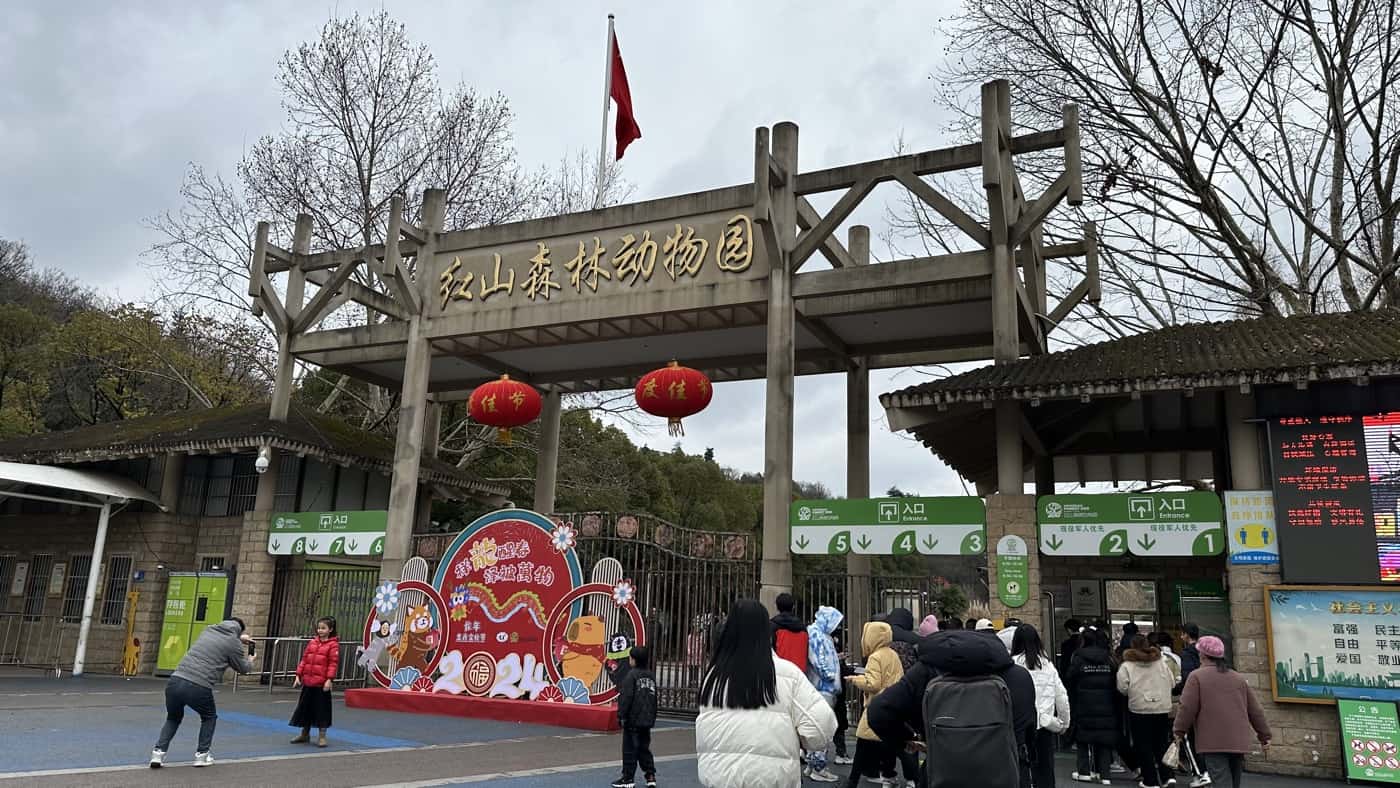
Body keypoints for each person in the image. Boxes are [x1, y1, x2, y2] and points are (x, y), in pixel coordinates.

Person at [867, 629, 1038, 788]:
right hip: (1006, 775)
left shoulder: (925, 672)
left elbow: (878, 712)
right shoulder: (1020, 677)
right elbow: (1029, 732)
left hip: (942, 774)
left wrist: (908, 738)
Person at [695, 599, 836, 788]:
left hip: (719, 778)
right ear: (766, 632)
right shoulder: (786, 673)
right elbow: (821, 727)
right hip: (772, 778)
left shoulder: (713, 677)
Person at [149, 618, 255, 768]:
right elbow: (243, 669)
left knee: (173, 718)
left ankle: (157, 754)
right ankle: (202, 755)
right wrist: (250, 660)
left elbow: (221, 642)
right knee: (209, 717)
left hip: (175, 680)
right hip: (199, 685)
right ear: (240, 630)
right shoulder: (234, 644)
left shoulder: (209, 629)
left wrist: (238, 638)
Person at [1172, 636, 1271, 788]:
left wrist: (1178, 731)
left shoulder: (1197, 676)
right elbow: (1255, 710)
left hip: (1213, 740)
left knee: (1221, 781)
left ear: (1203, 655)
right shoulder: (1237, 678)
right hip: (1238, 739)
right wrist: (1264, 736)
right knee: (1233, 781)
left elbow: (1186, 707)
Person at [843, 621, 905, 788]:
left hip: (876, 706)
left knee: (862, 743)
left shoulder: (875, 657)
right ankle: (889, 776)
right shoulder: (892, 654)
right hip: (892, 704)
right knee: (889, 745)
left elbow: (873, 684)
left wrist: (854, 680)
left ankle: (852, 782)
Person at [1011, 625, 1071, 788]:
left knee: (1020, 768)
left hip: (1019, 726)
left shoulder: (1012, 665)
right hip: (1044, 725)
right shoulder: (1048, 665)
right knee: (1045, 771)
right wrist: (1064, 723)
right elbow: (1062, 696)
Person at [1117, 635, 1176, 787]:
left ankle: (1151, 781)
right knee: (1162, 743)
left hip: (1139, 709)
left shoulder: (1127, 665)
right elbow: (1172, 682)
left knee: (1143, 745)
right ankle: (1167, 776)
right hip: (1161, 708)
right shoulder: (1161, 662)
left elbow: (1122, 687)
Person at [1067, 627, 1118, 785]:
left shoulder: (1078, 658)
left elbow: (1070, 678)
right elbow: (1116, 679)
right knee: (1104, 739)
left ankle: (1084, 772)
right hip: (1106, 704)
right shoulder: (1108, 658)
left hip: (1084, 703)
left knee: (1083, 738)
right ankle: (1104, 775)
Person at [805, 605, 845, 782]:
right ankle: (818, 766)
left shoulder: (819, 634)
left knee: (818, 727)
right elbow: (820, 660)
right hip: (823, 688)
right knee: (823, 728)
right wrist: (830, 675)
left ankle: (813, 763)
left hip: (822, 687)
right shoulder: (818, 635)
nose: (837, 626)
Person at [289, 616, 339, 748]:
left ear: (331, 629)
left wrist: (329, 680)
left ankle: (322, 737)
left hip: (321, 684)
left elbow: (333, 664)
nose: (320, 630)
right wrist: (298, 675)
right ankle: (304, 733)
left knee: (321, 710)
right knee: (305, 708)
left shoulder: (333, 645)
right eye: (319, 628)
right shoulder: (312, 643)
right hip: (308, 682)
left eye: (323, 628)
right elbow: (304, 659)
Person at [614, 645, 659, 788]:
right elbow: (654, 698)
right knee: (644, 748)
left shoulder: (631, 675)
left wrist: (621, 715)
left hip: (632, 719)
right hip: (647, 720)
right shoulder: (651, 675)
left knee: (629, 749)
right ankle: (650, 776)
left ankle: (628, 778)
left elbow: (626, 697)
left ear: (633, 660)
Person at [771, 593, 809, 674]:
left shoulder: (772, 626)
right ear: (793, 607)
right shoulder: (803, 628)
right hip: (799, 672)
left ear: (777, 607)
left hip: (780, 672)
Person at [1177, 624, 1201, 690]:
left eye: (1182, 634)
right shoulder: (1205, 649)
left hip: (1194, 688)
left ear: (1187, 634)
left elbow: (1187, 676)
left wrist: (1175, 689)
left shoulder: (1187, 652)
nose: (1181, 637)